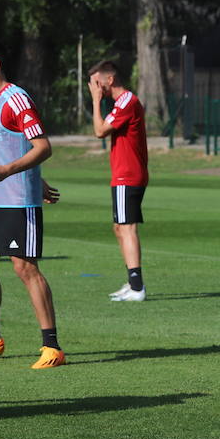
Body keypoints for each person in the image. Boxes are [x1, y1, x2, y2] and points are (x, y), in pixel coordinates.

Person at [0, 43, 65, 368]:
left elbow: (43, 146)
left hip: (16, 200)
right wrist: (36, 178)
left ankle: (52, 348)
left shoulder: (16, 99)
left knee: (25, 268)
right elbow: (12, 145)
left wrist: (11, 173)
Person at [88, 60, 150, 301]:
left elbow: (100, 131)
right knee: (119, 227)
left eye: (96, 83)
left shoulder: (127, 101)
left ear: (109, 80)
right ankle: (132, 281)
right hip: (123, 174)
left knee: (127, 227)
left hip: (129, 174)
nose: (94, 88)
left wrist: (95, 102)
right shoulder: (121, 103)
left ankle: (137, 287)